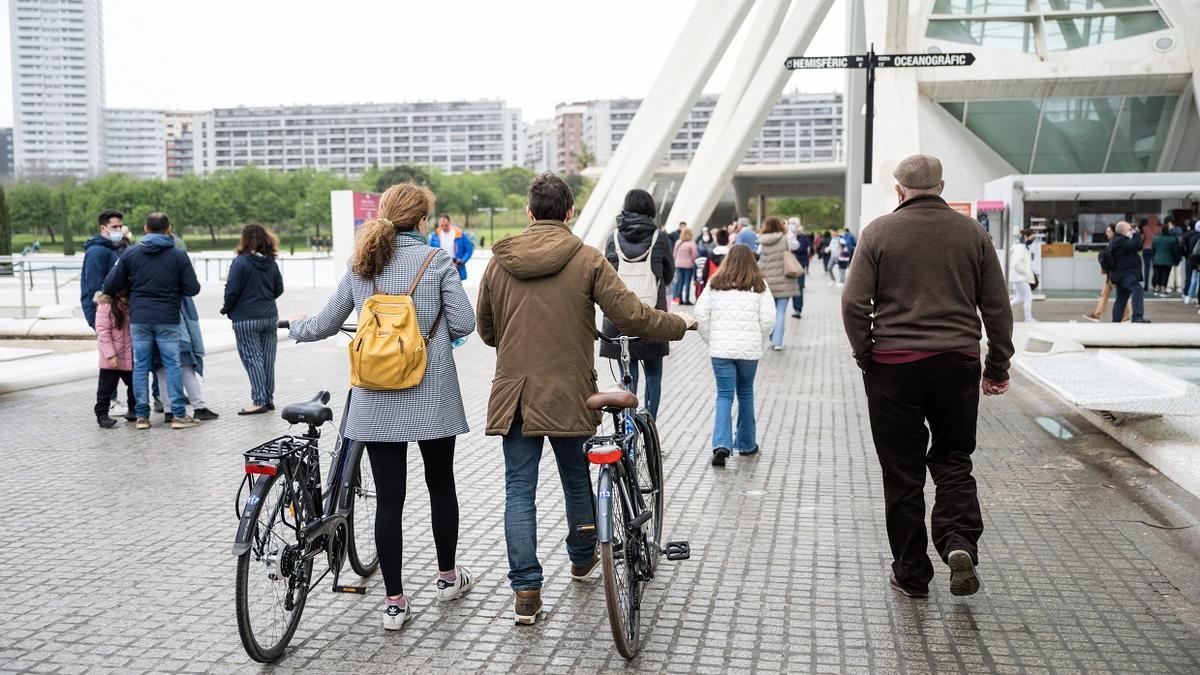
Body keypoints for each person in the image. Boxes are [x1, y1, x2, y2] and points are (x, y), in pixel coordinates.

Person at [476, 172, 693, 625]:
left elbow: (487, 331)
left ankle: (527, 593)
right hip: (570, 393)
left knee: (519, 490)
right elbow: (631, 315)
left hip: (514, 395)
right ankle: (581, 558)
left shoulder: (499, 263)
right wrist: (681, 325)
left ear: (529, 212)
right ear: (569, 212)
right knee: (577, 480)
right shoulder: (587, 258)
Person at [288, 182, 478, 631]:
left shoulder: (363, 264)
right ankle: (447, 578)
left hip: (376, 395)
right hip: (432, 393)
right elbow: (466, 323)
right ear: (423, 220)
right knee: (440, 485)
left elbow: (324, 322)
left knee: (389, 499)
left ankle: (394, 602)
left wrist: (297, 328)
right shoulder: (437, 261)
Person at [841, 154, 1014, 599]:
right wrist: (997, 367)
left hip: (894, 367)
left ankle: (913, 574)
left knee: (903, 473)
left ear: (899, 190)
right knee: (954, 459)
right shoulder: (973, 233)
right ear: (941, 185)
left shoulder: (878, 232)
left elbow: (854, 304)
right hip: (957, 363)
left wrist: (866, 355)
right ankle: (958, 542)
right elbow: (996, 308)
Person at [101, 212, 201, 430]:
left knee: (141, 367)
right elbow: (193, 288)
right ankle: (178, 415)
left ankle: (142, 417)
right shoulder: (178, 255)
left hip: (140, 318)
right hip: (168, 318)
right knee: (172, 365)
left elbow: (109, 284)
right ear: (169, 229)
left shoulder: (130, 254)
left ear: (146, 229)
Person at [694, 244, 775, 466]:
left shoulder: (715, 283)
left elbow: (700, 315)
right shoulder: (759, 285)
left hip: (721, 351)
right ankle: (747, 444)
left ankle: (721, 444)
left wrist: (712, 340)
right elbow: (768, 319)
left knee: (724, 395)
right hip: (749, 351)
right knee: (746, 393)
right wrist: (758, 339)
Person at [601, 189, 676, 420]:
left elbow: (607, 276)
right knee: (654, 374)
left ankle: (630, 427)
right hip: (652, 315)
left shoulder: (612, 238)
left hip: (620, 316)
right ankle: (649, 427)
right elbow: (669, 275)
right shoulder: (659, 238)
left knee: (628, 372)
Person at [222, 223, 285, 415]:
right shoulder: (271, 262)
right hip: (269, 316)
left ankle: (259, 401)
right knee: (267, 359)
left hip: (245, 318)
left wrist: (227, 308)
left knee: (252, 359)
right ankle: (268, 399)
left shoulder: (240, 262)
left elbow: (232, 290)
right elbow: (279, 288)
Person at [155, 296, 219, 422]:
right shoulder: (178, 286)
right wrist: (197, 345)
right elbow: (191, 318)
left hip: (153, 336)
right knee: (187, 371)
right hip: (178, 335)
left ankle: (168, 411)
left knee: (162, 373)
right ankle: (199, 407)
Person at [757, 217, 801, 351]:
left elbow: (759, 256)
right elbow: (796, 246)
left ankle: (772, 336)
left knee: (770, 311)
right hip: (785, 280)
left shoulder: (762, 240)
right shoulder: (785, 238)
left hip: (768, 281)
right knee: (781, 312)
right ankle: (777, 342)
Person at [93, 289, 135, 428]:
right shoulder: (105, 307)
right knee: (105, 389)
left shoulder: (131, 306)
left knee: (134, 385)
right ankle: (102, 416)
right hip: (111, 357)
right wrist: (110, 355)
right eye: (124, 297)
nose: (127, 299)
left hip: (129, 355)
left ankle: (133, 410)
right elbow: (103, 333)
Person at [81, 209, 125, 329]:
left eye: (120, 226)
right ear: (103, 228)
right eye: (114, 227)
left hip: (113, 311)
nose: (119, 230)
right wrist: (98, 318)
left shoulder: (111, 249)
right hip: (104, 313)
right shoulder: (96, 252)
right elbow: (94, 288)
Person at [1084, 224, 1132, 322]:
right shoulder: (1112, 242)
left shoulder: (1116, 243)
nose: (1106, 233)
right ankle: (1097, 314)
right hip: (1111, 274)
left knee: (1121, 295)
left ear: (1114, 232)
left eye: (1108, 231)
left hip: (1115, 274)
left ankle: (1128, 314)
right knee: (1104, 294)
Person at [1109, 220, 1151, 323]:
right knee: (1137, 289)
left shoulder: (1120, 240)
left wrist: (1134, 235)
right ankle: (1137, 316)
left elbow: (1138, 246)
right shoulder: (1120, 241)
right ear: (1123, 231)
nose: (1131, 231)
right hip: (1124, 274)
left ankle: (1116, 321)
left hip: (1120, 274)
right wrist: (1136, 234)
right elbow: (1136, 245)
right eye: (1129, 229)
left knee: (1121, 298)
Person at [429, 214, 475, 281]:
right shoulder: (435, 235)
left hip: (457, 268)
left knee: (456, 290)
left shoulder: (459, 233)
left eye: (446, 225)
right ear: (439, 224)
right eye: (442, 226)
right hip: (441, 268)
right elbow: (431, 252)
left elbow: (469, 250)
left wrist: (462, 261)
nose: (444, 227)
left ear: (450, 222)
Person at [1008, 230, 1037, 323]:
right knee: (1029, 296)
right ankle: (1028, 319)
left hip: (1018, 277)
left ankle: (1003, 307)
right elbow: (1016, 263)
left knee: (1019, 297)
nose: (1033, 240)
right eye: (1032, 238)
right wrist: (1025, 273)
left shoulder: (1021, 246)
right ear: (1025, 237)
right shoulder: (1020, 247)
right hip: (1020, 277)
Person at [788, 220, 813, 318]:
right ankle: (795, 307)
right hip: (790, 265)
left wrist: (792, 247)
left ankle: (797, 309)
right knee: (792, 287)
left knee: (798, 287)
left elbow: (802, 249)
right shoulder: (788, 237)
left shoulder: (803, 237)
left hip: (799, 265)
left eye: (794, 225)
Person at [1151, 225, 1181, 296]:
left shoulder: (1156, 238)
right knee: (1165, 275)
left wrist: (1154, 257)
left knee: (1157, 274)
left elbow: (1153, 250)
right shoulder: (1172, 239)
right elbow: (1175, 250)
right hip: (1168, 260)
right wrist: (1177, 259)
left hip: (1157, 259)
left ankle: (1157, 288)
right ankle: (1163, 289)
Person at [673, 226, 699, 305]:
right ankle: (687, 299)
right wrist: (694, 261)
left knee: (680, 281)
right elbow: (695, 255)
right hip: (688, 265)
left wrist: (677, 260)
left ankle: (680, 299)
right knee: (687, 282)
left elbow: (674, 253)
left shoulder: (678, 242)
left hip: (678, 264)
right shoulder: (692, 243)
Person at [1139, 217, 1159, 291]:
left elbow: (1142, 238)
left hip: (1146, 249)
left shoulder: (1144, 228)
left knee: (1146, 269)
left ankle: (1146, 286)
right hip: (1155, 250)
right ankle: (1154, 285)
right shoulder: (1159, 228)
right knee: (1155, 269)